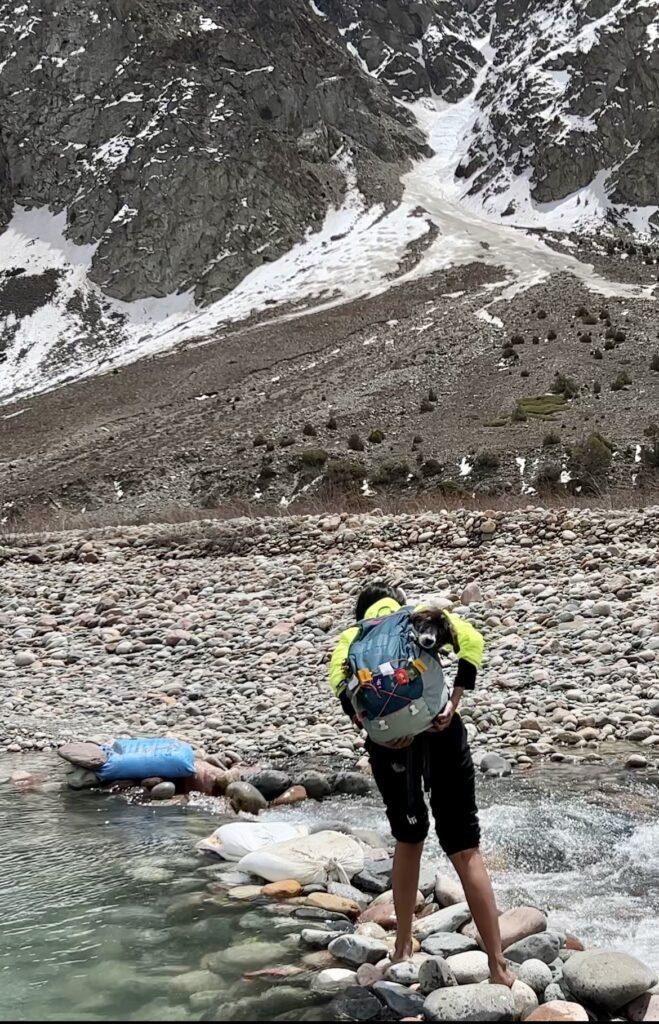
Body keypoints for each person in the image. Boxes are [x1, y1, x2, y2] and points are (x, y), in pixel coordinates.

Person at [328, 581, 515, 987]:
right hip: (441, 729)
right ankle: (498, 966)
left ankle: (401, 946)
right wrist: (456, 699)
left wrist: (374, 728)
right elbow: (473, 642)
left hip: (392, 746)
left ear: (362, 613)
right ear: (395, 604)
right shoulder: (419, 614)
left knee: (408, 838)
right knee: (465, 846)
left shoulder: (353, 636)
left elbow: (340, 687)